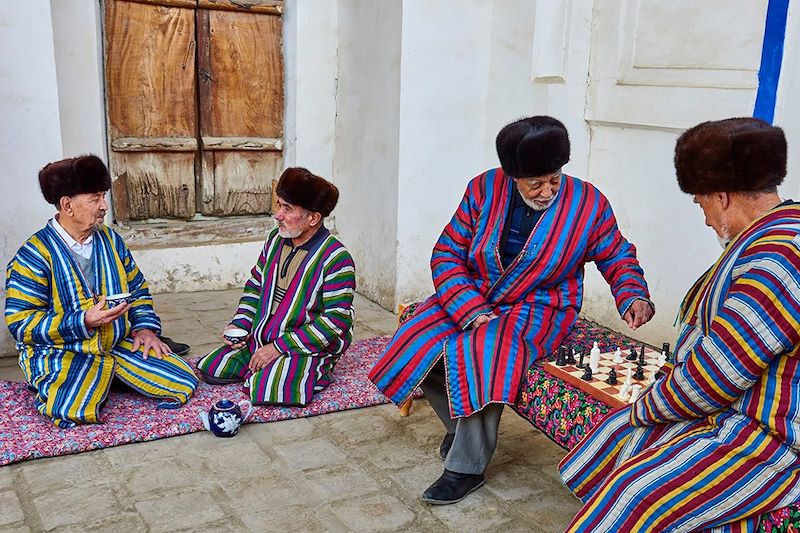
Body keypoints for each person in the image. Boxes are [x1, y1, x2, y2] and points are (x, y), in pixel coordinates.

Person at [369, 115, 654, 504]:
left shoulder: (588, 203)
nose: (546, 191)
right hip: (478, 294)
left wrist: (632, 293)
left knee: (486, 350)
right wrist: (470, 308)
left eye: (553, 178)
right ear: (511, 175)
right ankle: (458, 428)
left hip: (543, 305)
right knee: (417, 338)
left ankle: (465, 468)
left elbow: (616, 253)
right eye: (535, 182)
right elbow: (447, 252)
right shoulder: (483, 189)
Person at [559, 117, 800, 532]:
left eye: (701, 203)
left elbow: (715, 377)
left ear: (722, 197)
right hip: (732, 412)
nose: (705, 219)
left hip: (767, 439)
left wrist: (647, 406)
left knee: (634, 493)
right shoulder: (776, 229)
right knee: (628, 441)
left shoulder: (776, 261)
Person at [4, 155, 198, 428]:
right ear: (67, 205)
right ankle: (82, 377)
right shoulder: (33, 255)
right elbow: (21, 323)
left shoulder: (110, 239)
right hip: (64, 349)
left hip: (114, 343)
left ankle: (108, 375)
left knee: (183, 379)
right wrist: (82, 321)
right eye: (95, 198)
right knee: (71, 408)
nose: (104, 206)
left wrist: (144, 329)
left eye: (103, 196)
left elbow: (137, 288)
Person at [197, 167, 356, 407]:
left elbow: (336, 321)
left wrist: (280, 347)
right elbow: (255, 286)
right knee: (214, 368)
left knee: (268, 389)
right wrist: (240, 325)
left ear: (313, 218)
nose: (278, 215)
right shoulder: (275, 239)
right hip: (265, 334)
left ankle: (315, 368)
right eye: (279, 205)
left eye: (287, 209)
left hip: (306, 344)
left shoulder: (337, 258)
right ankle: (266, 360)